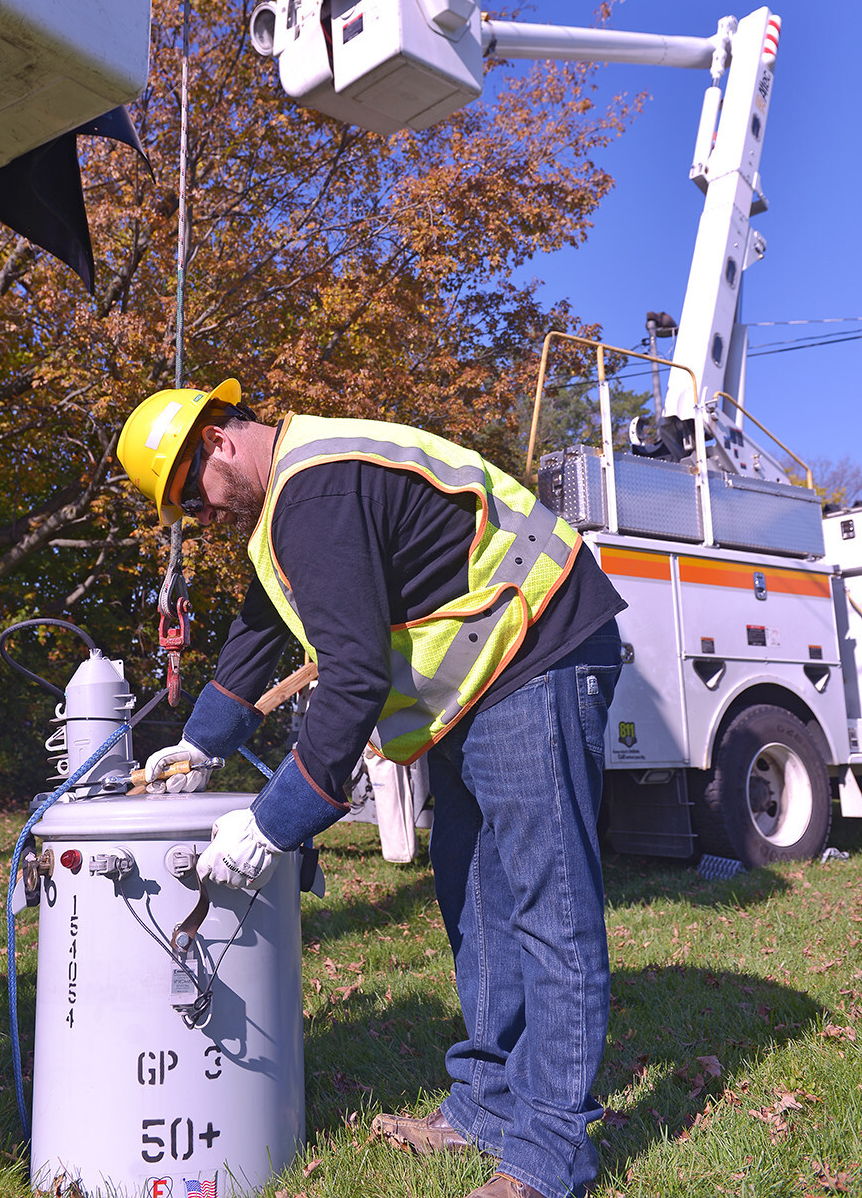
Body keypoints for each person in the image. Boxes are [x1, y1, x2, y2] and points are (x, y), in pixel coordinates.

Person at [116, 379, 626, 1198]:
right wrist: (196, 744)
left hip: (540, 649)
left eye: (190, 496)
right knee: (473, 898)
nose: (199, 517)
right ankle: (487, 1106)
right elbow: (259, 631)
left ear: (216, 440)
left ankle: (548, 1153)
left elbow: (351, 679)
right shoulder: (288, 501)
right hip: (478, 682)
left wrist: (274, 825)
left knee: (547, 905)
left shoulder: (315, 491)